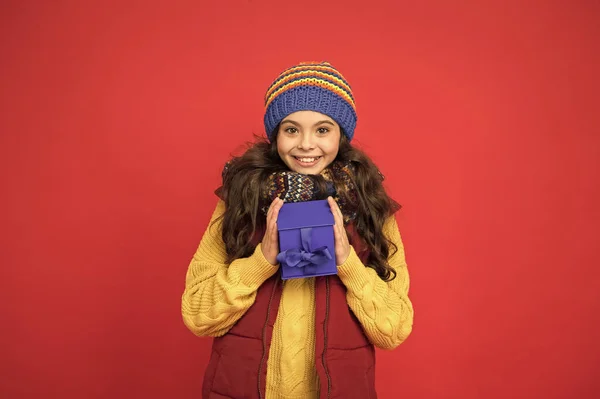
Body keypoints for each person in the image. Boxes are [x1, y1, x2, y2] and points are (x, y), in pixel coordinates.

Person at [181, 61, 414, 399]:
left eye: (322, 130)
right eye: (291, 129)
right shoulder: (241, 199)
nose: (306, 144)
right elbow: (198, 316)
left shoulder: (371, 208)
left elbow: (393, 330)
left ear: (341, 135)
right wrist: (260, 261)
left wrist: (348, 263)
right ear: (276, 135)